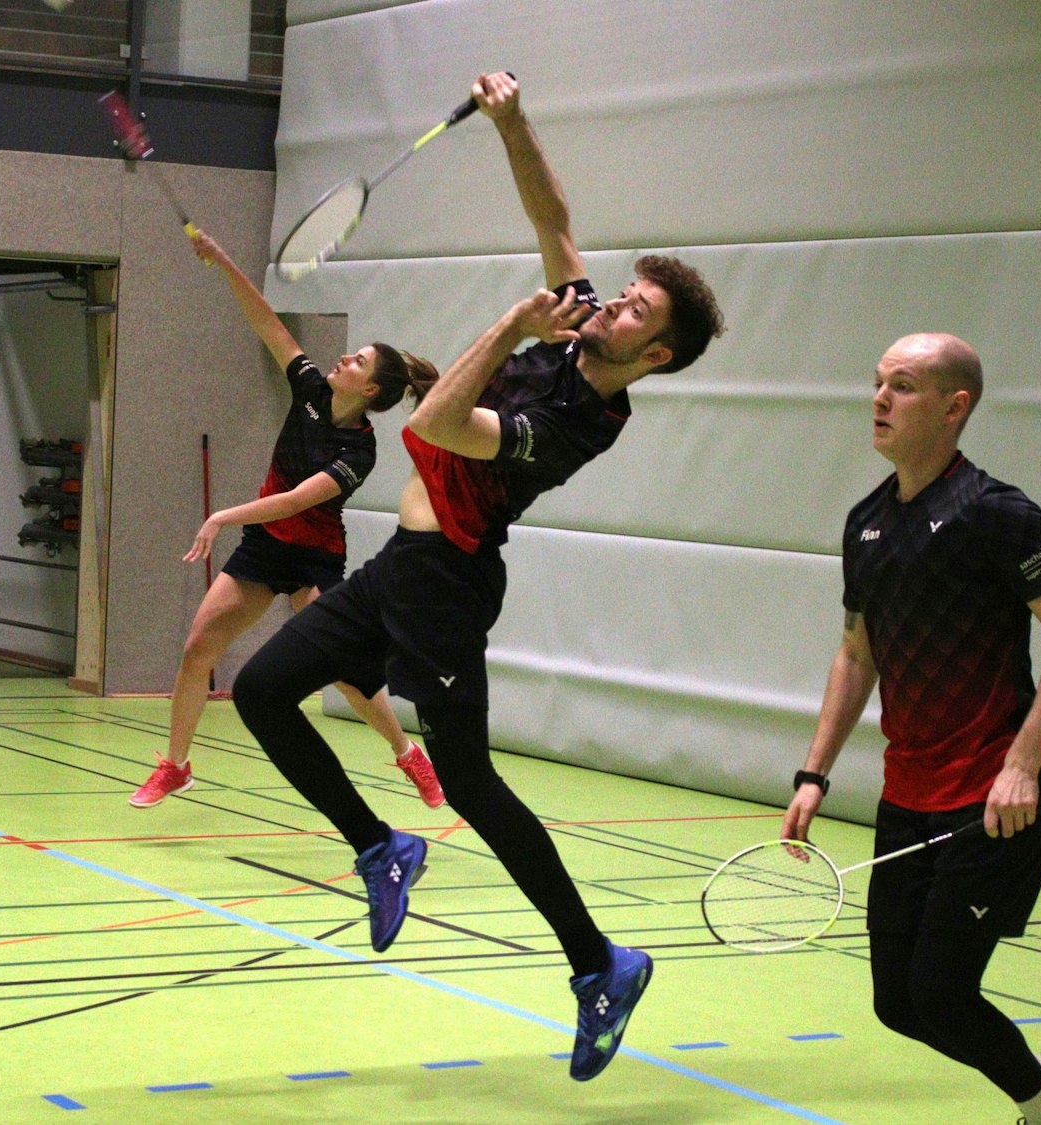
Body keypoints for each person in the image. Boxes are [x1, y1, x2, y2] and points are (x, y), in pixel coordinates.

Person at [231, 73, 724, 1081]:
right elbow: (554, 216)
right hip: (398, 567)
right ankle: (380, 848)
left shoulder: (580, 420)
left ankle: (600, 965)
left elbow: (432, 425)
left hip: (447, 585)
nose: (609, 303)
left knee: (471, 784)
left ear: (654, 350)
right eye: (616, 292)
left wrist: (507, 325)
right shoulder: (579, 320)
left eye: (633, 308)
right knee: (259, 690)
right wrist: (511, 122)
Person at [780, 333, 1041, 1124]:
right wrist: (813, 771)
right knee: (899, 1002)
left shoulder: (997, 514)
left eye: (902, 385)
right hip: (909, 797)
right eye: (877, 383)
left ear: (953, 406)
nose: (880, 399)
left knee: (941, 990)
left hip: (995, 803)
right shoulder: (866, 521)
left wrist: (1023, 763)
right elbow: (856, 654)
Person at [129, 229, 446, 811]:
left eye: (357, 360)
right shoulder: (307, 387)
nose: (342, 357)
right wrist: (225, 260)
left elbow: (298, 499)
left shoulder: (361, 452)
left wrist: (222, 515)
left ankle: (407, 754)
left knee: (347, 672)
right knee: (199, 646)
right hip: (265, 548)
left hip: (315, 558)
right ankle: (175, 766)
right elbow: (266, 323)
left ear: (369, 388)